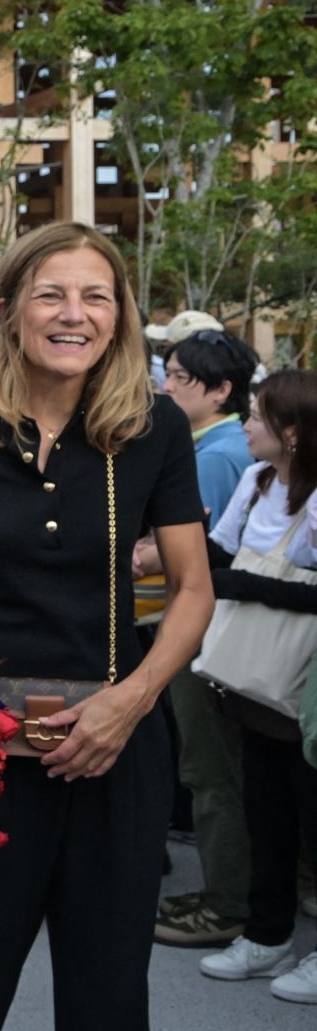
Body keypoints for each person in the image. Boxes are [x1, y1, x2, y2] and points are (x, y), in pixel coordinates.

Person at [0, 221, 214, 1029]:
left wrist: (129, 702)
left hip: (118, 750)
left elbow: (193, 588)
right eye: (52, 293)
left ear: (120, 316)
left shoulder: (153, 426)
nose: (75, 313)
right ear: (12, 309)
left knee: (107, 998)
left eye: (97, 295)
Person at [195, 371, 317, 999]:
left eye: (260, 417)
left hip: (300, 682)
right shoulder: (255, 479)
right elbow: (218, 555)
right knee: (265, 811)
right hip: (251, 680)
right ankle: (267, 938)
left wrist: (250, 586)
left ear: (293, 433)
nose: (246, 424)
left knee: (310, 816)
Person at [144, 326, 260, 947]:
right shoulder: (212, 442)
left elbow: (192, 559)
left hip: (203, 634)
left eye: (181, 377)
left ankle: (225, 903)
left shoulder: (215, 455)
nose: (168, 385)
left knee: (210, 767)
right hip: (216, 632)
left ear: (220, 391)